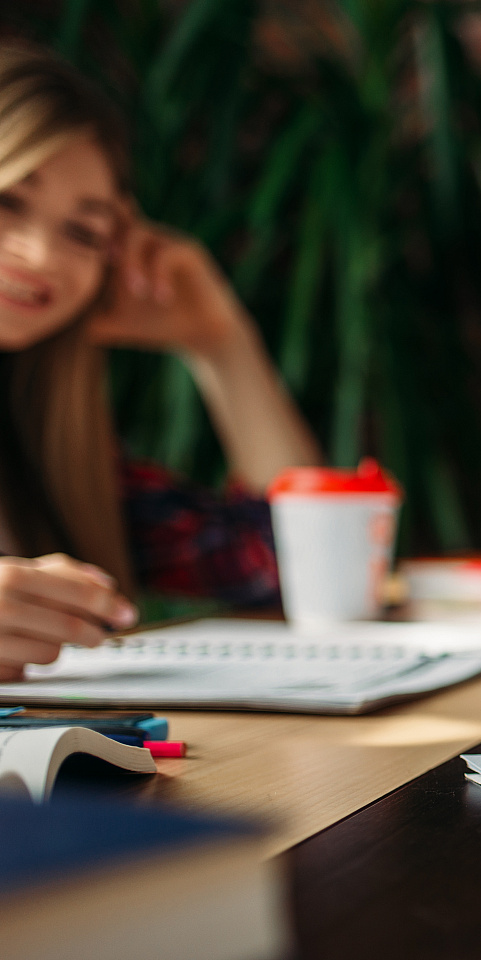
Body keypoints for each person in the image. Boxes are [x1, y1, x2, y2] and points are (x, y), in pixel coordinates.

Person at [0, 44, 320, 680]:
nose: (41, 255)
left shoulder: (45, 449)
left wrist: (221, 343)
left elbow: (294, 565)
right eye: (8, 200)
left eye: (84, 234)